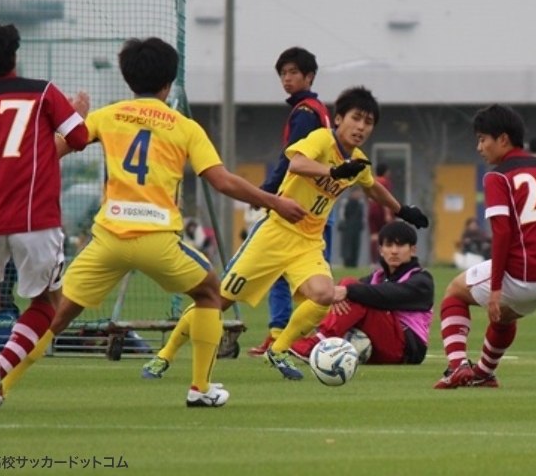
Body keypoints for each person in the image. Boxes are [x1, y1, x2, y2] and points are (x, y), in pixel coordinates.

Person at [0, 37, 307, 410]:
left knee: (54, 314)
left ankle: (0, 386)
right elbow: (221, 180)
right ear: (168, 83)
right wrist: (274, 201)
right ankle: (200, 388)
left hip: (108, 239)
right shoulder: (185, 126)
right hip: (158, 239)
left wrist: (73, 119)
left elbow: (50, 154)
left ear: (129, 81)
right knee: (209, 292)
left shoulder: (108, 115)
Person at [143, 86, 429, 381]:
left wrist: (402, 210)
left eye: (368, 122)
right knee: (218, 300)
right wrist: (333, 173)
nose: (361, 127)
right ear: (339, 118)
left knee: (324, 294)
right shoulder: (321, 139)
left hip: (308, 243)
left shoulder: (357, 161)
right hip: (275, 233)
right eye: (356, 118)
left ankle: (278, 349)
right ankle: (165, 354)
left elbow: (371, 186)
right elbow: (297, 163)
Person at [0, 22, 89, 410]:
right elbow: (79, 138)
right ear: (15, 56)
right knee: (46, 302)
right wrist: (80, 112)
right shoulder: (42, 93)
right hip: (35, 217)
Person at [435, 104, 536, 389]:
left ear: (502, 139)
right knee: (503, 317)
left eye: (482, 138)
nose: (479, 147)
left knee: (454, 292)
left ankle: (456, 367)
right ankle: (484, 373)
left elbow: (501, 233)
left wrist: (495, 289)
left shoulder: (498, 176)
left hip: (522, 276)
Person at [246, 47, 333, 357]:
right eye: (283, 73)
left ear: (309, 76)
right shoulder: (317, 109)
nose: (287, 78)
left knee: (282, 271)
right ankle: (291, 335)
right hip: (320, 207)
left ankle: (286, 335)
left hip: (300, 208)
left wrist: (267, 193)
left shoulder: (306, 113)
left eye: (293, 72)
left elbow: (293, 160)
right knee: (313, 277)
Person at [289, 221, 434, 364]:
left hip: (406, 348)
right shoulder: (377, 277)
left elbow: (390, 294)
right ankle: (302, 337)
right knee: (349, 290)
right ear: (381, 250)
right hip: (378, 345)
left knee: (353, 289)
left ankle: (319, 342)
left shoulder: (421, 280)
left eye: (400, 245)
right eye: (389, 245)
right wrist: (342, 293)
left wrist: (348, 290)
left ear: (412, 250)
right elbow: (350, 297)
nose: (394, 251)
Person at [367, 162, 394, 266]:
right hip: (380, 211)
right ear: (386, 172)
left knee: (374, 236)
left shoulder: (372, 180)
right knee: (385, 235)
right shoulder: (384, 182)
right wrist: (387, 214)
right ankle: (382, 260)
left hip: (371, 210)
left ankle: (373, 262)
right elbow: (385, 199)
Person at [339, 187, 365, 268]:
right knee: (347, 246)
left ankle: (354, 263)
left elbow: (362, 216)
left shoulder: (360, 203)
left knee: (356, 245)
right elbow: (342, 214)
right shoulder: (346, 202)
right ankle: (347, 263)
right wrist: (344, 224)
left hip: (356, 228)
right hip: (348, 227)